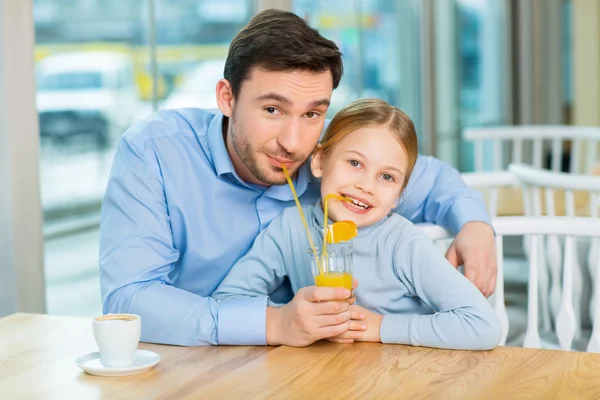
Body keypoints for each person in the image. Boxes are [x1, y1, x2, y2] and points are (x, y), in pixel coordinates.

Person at [99, 9, 497, 347]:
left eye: (312, 114)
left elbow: (431, 179)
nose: (292, 144)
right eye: (272, 109)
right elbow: (128, 300)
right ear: (227, 98)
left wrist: (475, 225)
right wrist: (273, 323)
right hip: (195, 363)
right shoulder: (155, 152)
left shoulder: (335, 161)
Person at [212, 99, 502, 350]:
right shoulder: (289, 229)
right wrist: (291, 319)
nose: (366, 186)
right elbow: (225, 301)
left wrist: (378, 328)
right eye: (355, 163)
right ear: (320, 162)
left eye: (387, 177)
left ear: (400, 193)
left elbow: (482, 325)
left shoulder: (402, 243)